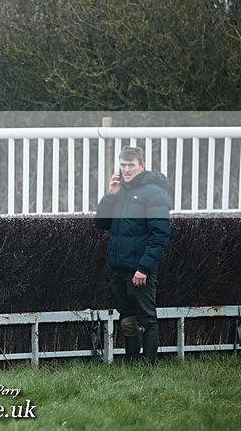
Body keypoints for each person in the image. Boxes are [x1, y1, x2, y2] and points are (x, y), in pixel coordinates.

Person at [94, 146, 171, 364]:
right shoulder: (121, 191)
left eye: (131, 165)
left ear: (142, 166)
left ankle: (147, 367)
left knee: (146, 318)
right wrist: (110, 195)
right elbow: (101, 224)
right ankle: (130, 364)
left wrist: (144, 268)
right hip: (119, 268)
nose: (126, 170)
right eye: (123, 165)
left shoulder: (154, 193)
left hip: (140, 270)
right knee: (127, 318)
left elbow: (160, 236)